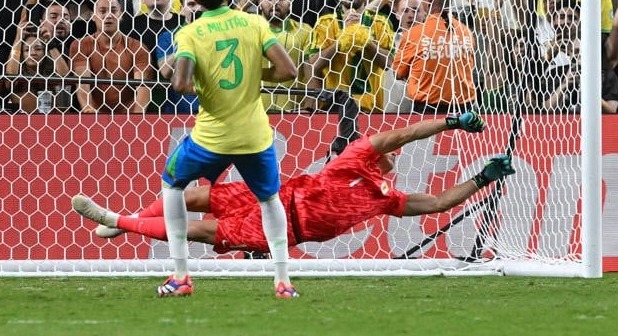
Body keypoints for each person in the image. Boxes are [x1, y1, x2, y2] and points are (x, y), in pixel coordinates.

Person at [72, 112, 515, 257]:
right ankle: (125, 221)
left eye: (393, 153)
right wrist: (450, 122)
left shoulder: (388, 199)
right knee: (193, 196)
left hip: (283, 230)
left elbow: (438, 203)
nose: (395, 152)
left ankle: (121, 222)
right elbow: (402, 134)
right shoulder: (356, 156)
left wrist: (481, 178)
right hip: (273, 196)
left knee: (198, 231)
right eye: (390, 151)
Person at [147, 0, 298, 298]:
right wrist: (257, 77)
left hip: (210, 138)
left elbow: (181, 83)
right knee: (269, 199)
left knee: (172, 184)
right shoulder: (255, 23)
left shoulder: (191, 32)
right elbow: (288, 70)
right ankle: (283, 281)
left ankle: (181, 275)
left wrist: (203, 81)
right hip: (254, 136)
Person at [69, 0, 151, 113]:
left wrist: (136, 119)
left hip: (129, 115)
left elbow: (143, 87)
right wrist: (89, 111)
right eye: (102, 11)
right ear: (93, 16)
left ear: (121, 15)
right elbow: (83, 83)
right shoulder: (81, 45)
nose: (108, 15)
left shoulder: (137, 47)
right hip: (94, 116)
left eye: (113, 10)